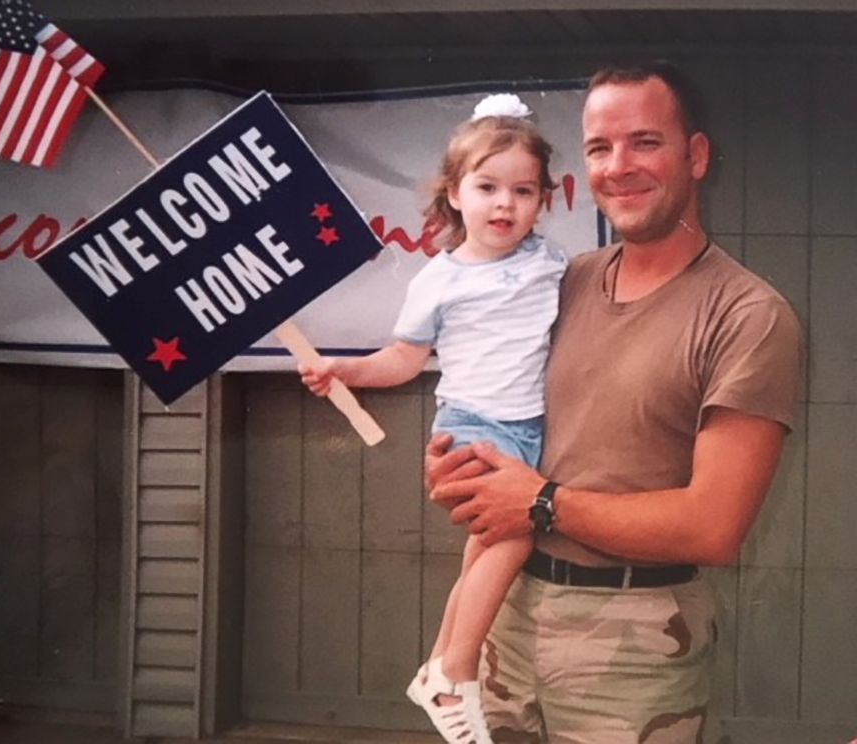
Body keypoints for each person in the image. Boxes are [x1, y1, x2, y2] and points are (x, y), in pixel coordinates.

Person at [425, 61, 803, 743]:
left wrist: (539, 502)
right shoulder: (557, 284)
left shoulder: (747, 315)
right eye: (600, 148)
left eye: (645, 142)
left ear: (697, 156)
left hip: (634, 645)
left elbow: (714, 526)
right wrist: (459, 465)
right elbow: (496, 408)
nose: (618, 166)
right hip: (502, 620)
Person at [300, 93, 567, 744]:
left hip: (531, 432)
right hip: (474, 429)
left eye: (523, 190)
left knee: (481, 554)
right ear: (455, 192)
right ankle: (457, 671)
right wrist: (348, 372)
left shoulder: (553, 264)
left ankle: (436, 669)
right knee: (514, 537)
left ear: (544, 199)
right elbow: (403, 358)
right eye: (487, 187)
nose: (505, 204)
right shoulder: (439, 280)